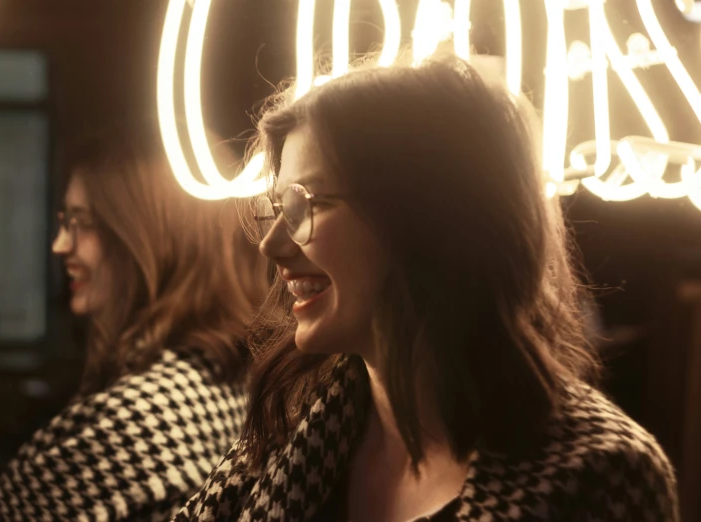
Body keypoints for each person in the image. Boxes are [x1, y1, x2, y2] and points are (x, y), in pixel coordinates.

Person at [175, 53, 680, 521]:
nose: (271, 246)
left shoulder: (601, 475)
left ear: (427, 220)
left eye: (307, 205)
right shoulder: (288, 431)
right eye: (279, 208)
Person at [0, 124, 268, 521]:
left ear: (151, 236)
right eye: (63, 220)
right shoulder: (237, 383)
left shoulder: (139, 420)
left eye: (82, 222)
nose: (61, 244)